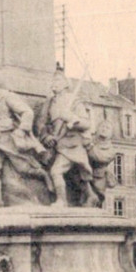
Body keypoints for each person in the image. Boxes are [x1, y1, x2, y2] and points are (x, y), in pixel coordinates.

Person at [0, 68, 53, 207]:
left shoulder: (5, 96)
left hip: (8, 138)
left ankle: (44, 175)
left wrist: (22, 129)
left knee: (24, 168)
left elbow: (27, 112)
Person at [38, 70, 95, 207]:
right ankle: (91, 196)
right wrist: (46, 136)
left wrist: (70, 118)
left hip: (72, 144)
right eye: (53, 81)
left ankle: (61, 201)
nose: (54, 83)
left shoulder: (73, 101)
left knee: (56, 171)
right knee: (76, 176)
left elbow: (86, 124)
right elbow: (42, 124)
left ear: (65, 84)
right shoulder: (50, 103)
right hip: (57, 145)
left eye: (57, 80)